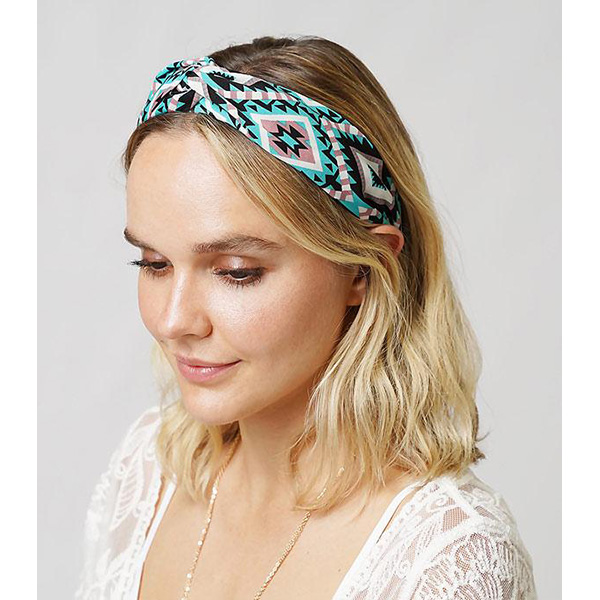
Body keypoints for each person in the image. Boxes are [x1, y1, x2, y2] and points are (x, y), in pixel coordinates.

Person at [74, 35, 537, 599]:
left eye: (237, 271)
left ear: (362, 269)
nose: (173, 321)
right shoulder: (147, 472)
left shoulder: (446, 559)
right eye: (153, 263)